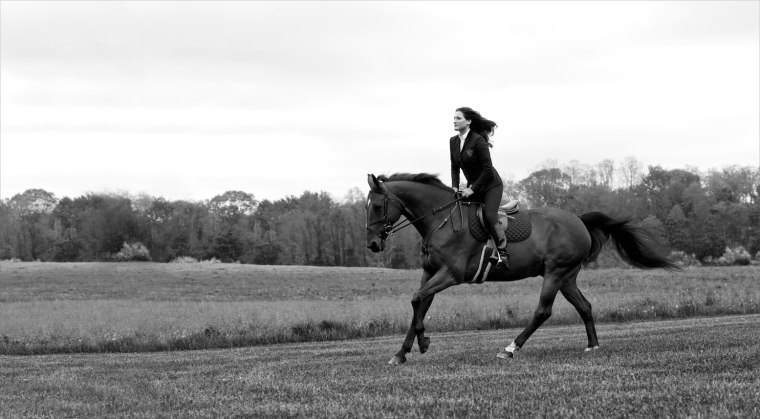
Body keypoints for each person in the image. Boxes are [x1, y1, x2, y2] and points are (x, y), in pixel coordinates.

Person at [450, 107, 509, 269]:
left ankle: (502, 254)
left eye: (458, 118)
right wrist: (455, 187)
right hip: (474, 187)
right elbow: (454, 167)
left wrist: (472, 189)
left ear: (468, 121)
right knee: (461, 213)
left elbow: (488, 170)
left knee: (489, 216)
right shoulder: (453, 141)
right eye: (454, 118)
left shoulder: (478, 141)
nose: (454, 121)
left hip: (491, 185)